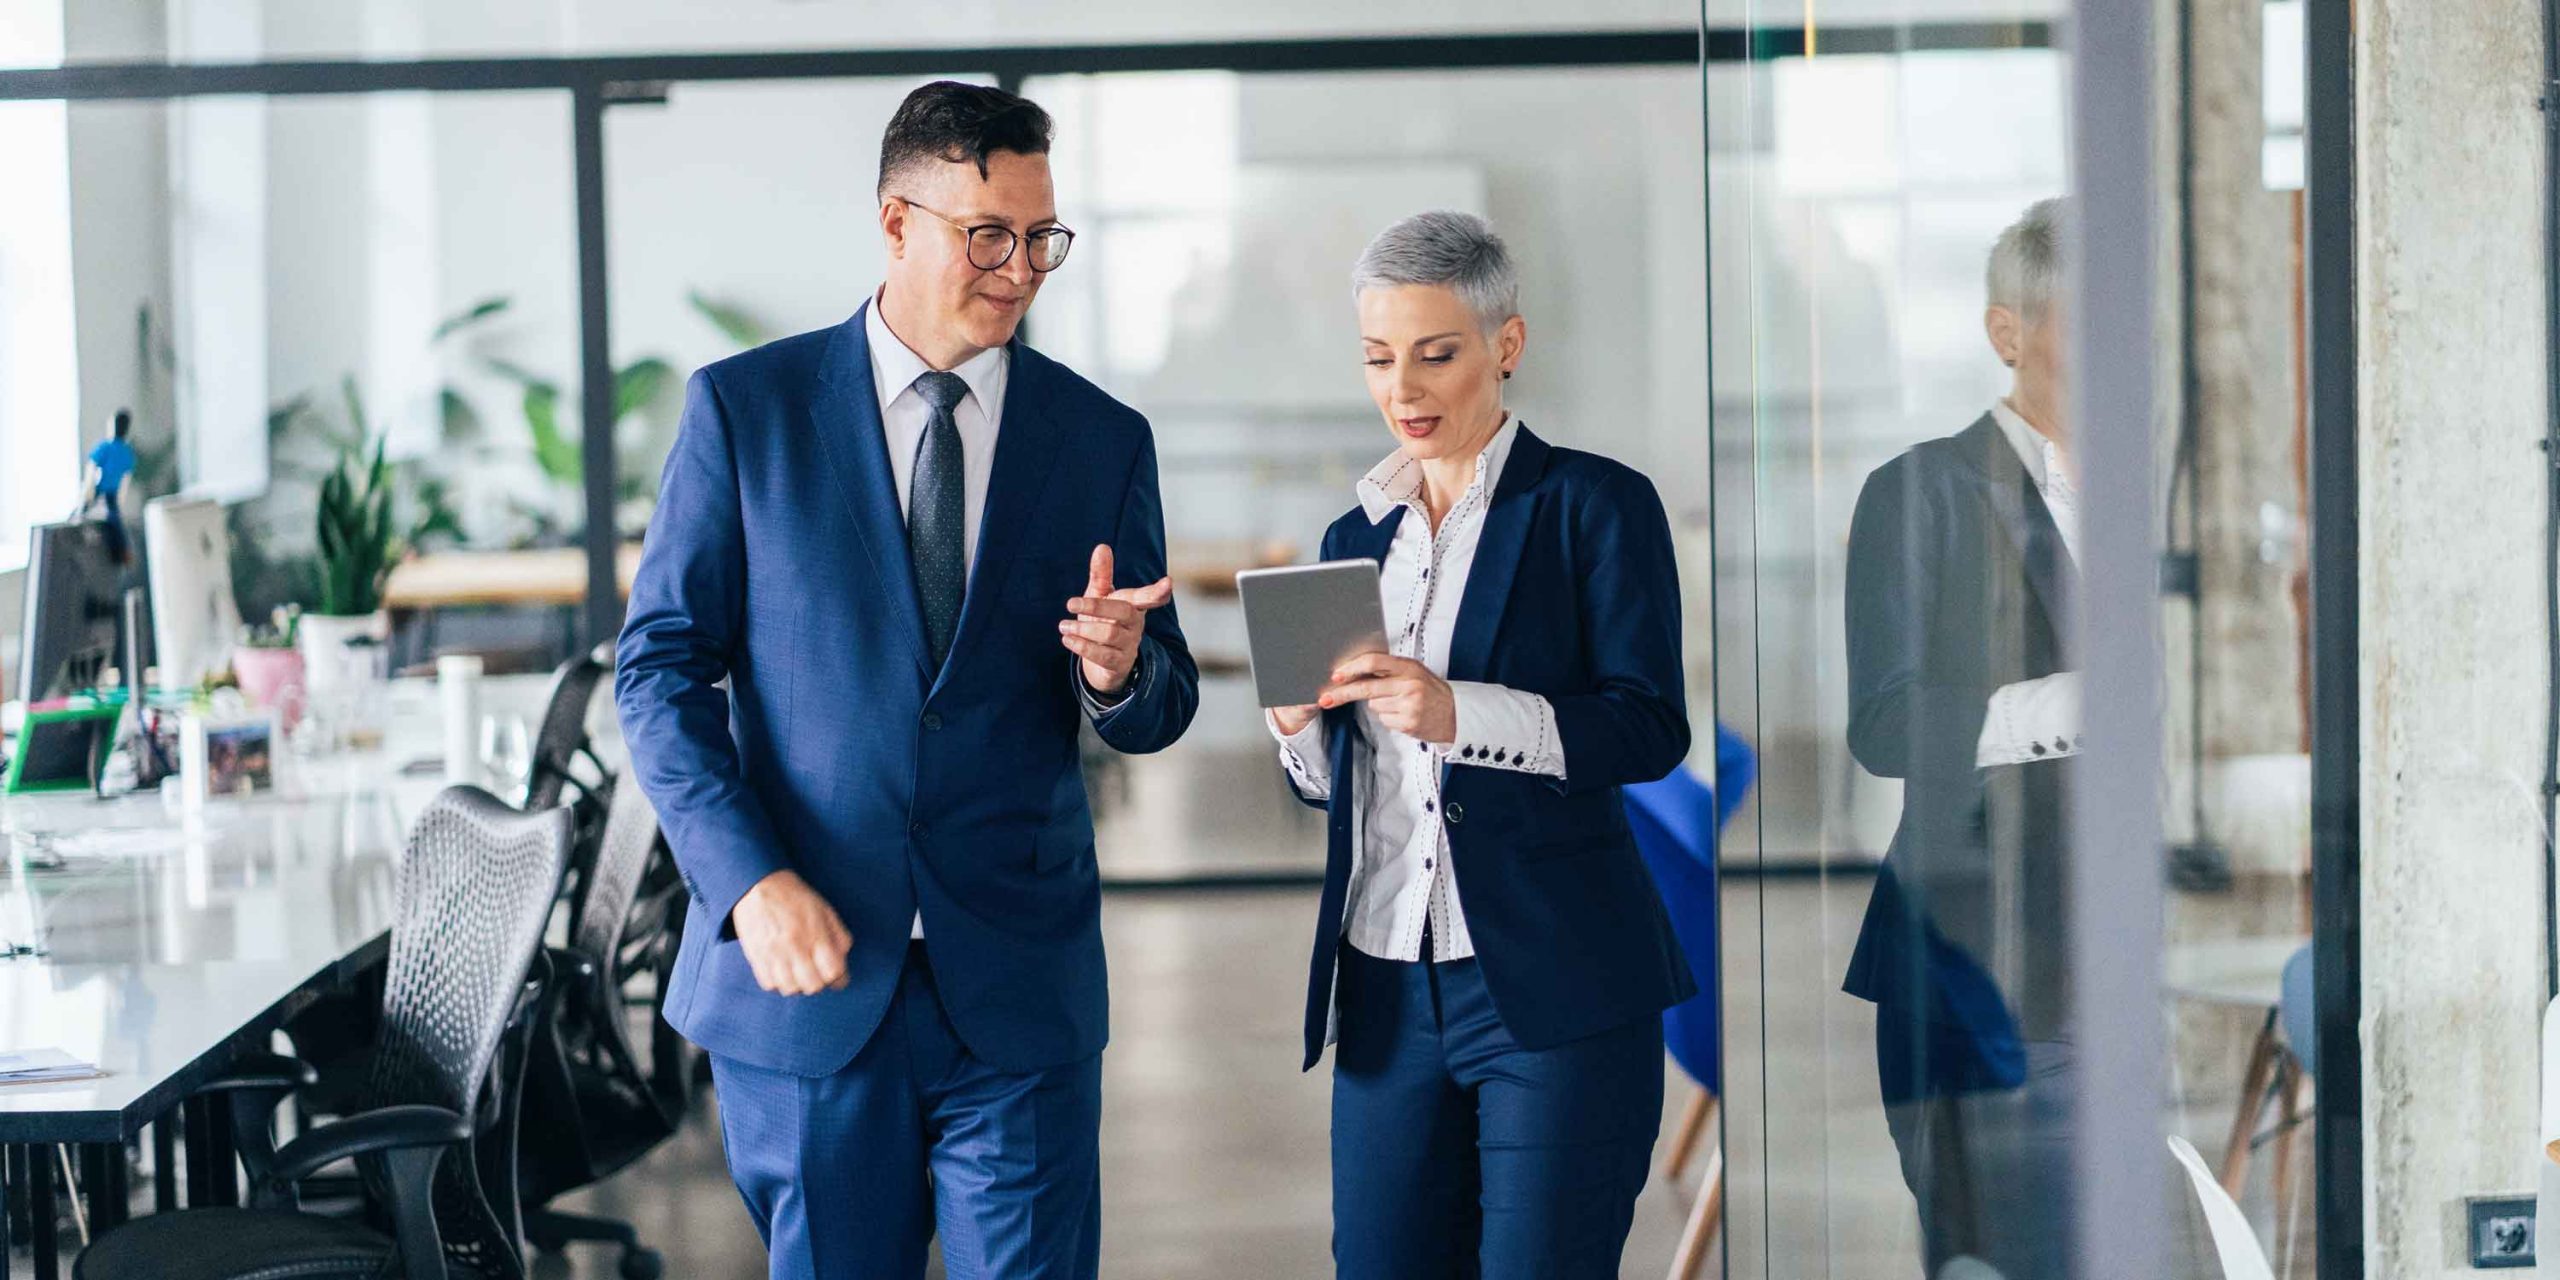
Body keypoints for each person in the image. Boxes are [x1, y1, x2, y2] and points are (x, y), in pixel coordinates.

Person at [615, 81, 1198, 1280]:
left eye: (1042, 238)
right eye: (989, 234)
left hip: (1018, 979)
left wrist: (1120, 672)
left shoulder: (1099, 438)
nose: (1022, 267)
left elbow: (1159, 695)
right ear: (895, 222)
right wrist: (747, 880)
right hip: (811, 979)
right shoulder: (747, 411)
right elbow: (659, 669)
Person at [1265, 210, 1693, 1279]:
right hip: (1383, 987)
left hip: (1551, 985)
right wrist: (1298, 733)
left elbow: (1648, 726)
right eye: (1378, 357)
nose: (1402, 387)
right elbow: (1342, 787)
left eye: (1435, 353)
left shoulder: (1594, 505)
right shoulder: (1348, 538)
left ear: (1505, 346)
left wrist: (1465, 712)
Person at [1842, 196, 2080, 1278]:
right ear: (2008, 334)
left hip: (2119, 961)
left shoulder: (2160, 499)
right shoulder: (1919, 491)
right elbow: (1887, 723)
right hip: (1975, 961)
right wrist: (2064, 707)